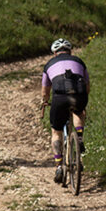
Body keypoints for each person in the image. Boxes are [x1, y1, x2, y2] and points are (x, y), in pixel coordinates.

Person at [41, 38, 89, 184]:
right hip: (79, 94)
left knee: (56, 131)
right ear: (70, 51)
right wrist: (82, 99)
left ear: (54, 53)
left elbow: (45, 90)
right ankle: (79, 137)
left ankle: (58, 166)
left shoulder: (49, 64)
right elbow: (87, 86)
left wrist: (45, 101)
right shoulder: (79, 61)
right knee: (79, 112)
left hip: (60, 97)